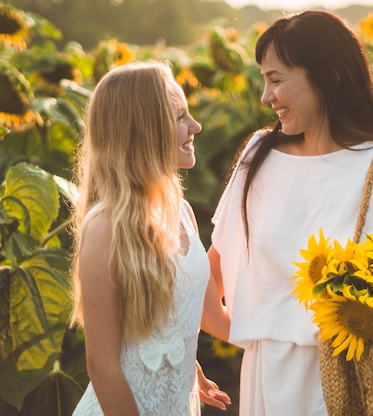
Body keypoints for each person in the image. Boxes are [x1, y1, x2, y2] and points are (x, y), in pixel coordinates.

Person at [208, 10, 373, 416]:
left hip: (354, 387)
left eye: (277, 79)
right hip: (264, 381)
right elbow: (209, 273)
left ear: (330, 76)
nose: (266, 97)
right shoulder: (257, 156)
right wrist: (263, 335)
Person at [70, 61, 230, 416]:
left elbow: (211, 318)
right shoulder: (104, 228)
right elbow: (103, 367)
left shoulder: (183, 213)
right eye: (179, 117)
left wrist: (300, 329)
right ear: (141, 131)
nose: (196, 126)